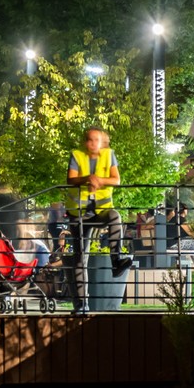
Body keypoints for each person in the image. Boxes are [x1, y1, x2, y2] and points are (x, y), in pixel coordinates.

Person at [66, 126, 122, 310]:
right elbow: (71, 179)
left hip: (101, 210)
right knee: (80, 257)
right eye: (89, 140)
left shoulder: (109, 155)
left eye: (96, 140)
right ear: (85, 142)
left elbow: (116, 180)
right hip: (78, 213)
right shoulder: (76, 155)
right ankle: (82, 303)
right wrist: (87, 179)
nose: (93, 143)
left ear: (102, 141)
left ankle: (116, 260)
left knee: (115, 217)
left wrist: (99, 180)